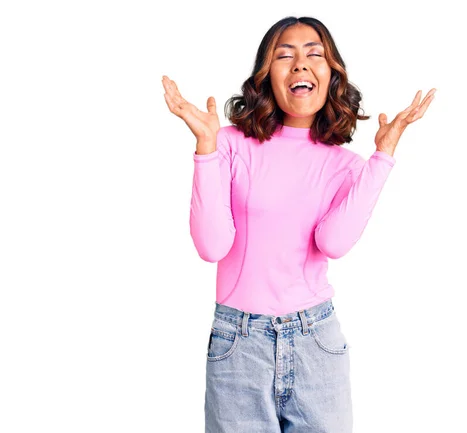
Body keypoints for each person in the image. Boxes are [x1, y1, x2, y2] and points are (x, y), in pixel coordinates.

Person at [162, 15, 435, 433]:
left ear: (331, 76)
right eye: (284, 56)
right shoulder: (232, 145)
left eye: (314, 56)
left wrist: (382, 157)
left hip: (316, 342)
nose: (300, 65)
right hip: (238, 345)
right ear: (266, 76)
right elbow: (211, 246)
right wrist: (206, 148)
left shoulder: (346, 166)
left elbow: (334, 242)